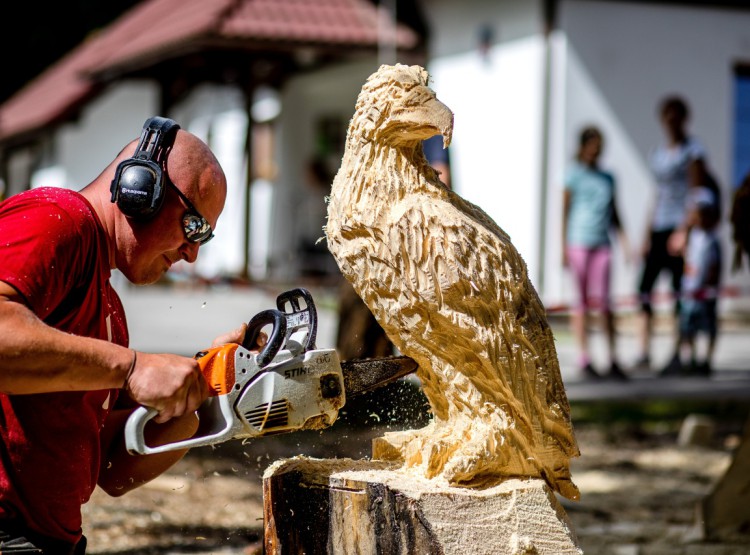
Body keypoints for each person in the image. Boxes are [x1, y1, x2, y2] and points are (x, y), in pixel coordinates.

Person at [0, 116, 245, 553]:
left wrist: (212, 391)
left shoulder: (108, 306)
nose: (192, 253)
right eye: (193, 227)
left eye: (205, 238)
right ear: (140, 188)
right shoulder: (56, 220)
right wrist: (132, 367)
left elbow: (112, 469)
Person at [635, 95, 707, 372]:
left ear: (684, 119)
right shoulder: (659, 154)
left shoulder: (693, 151)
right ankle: (644, 352)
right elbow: (657, 196)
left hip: (679, 230)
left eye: (676, 117)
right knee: (643, 291)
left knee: (680, 294)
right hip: (658, 228)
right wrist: (645, 235)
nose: (672, 122)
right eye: (667, 117)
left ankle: (681, 352)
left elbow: (697, 193)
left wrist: (684, 231)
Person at [562, 126, 629, 380]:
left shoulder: (608, 178)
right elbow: (565, 212)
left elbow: (615, 212)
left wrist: (624, 241)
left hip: (602, 243)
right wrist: (563, 248)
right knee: (581, 304)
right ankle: (585, 357)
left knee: (604, 304)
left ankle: (612, 358)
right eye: (593, 145)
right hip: (579, 242)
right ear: (583, 146)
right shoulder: (572, 175)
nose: (596, 151)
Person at [667, 186, 722, 376]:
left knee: (708, 327)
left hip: (705, 293)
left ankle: (705, 360)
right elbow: (677, 252)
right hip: (689, 292)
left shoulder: (712, 239)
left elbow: (715, 266)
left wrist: (710, 286)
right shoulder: (690, 236)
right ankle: (689, 359)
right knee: (687, 327)